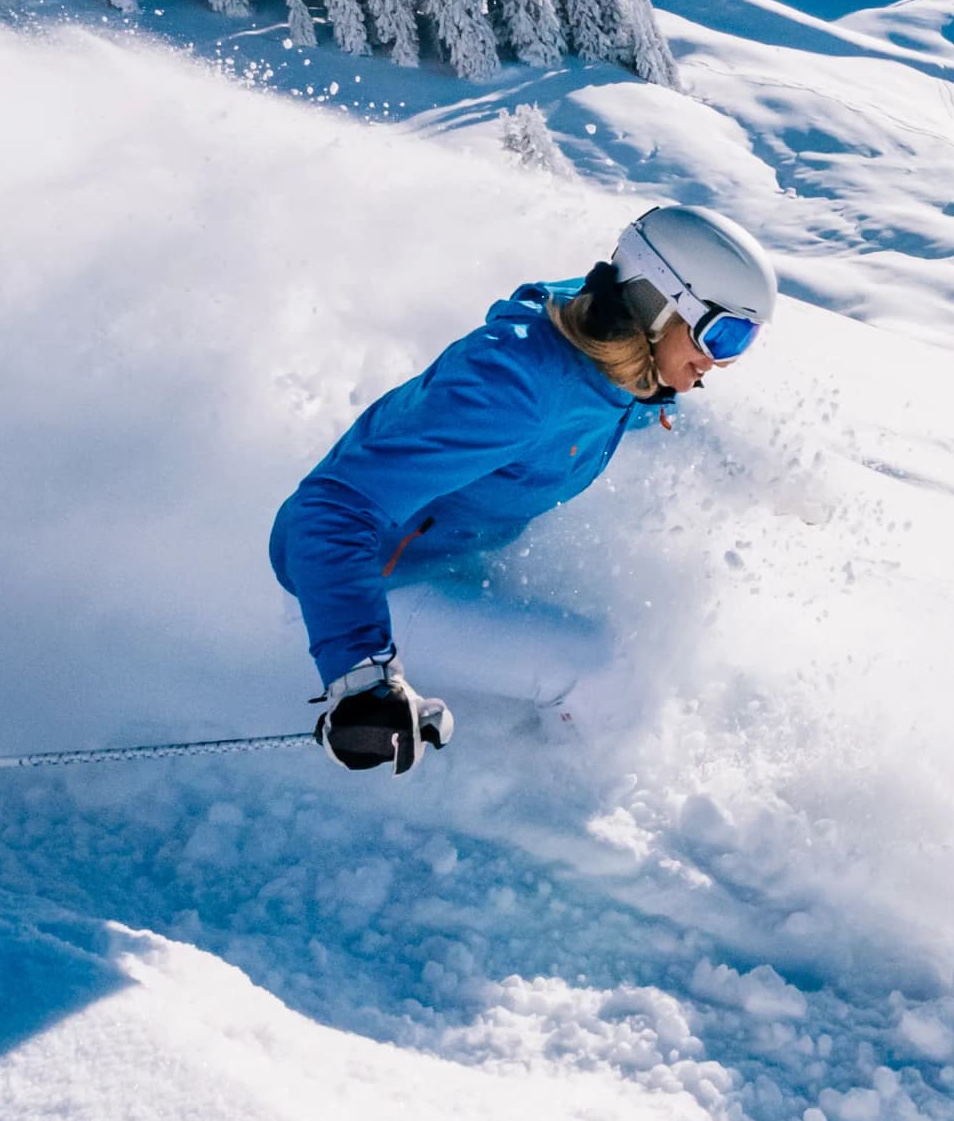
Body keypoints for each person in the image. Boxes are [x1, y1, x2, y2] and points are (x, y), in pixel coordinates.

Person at [271, 203, 778, 772]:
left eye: (745, 339)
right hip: (360, 589)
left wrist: (767, 479)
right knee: (604, 670)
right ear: (658, 303)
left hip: (447, 553)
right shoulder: (516, 383)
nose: (724, 362)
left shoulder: (625, 365)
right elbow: (330, 509)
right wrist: (361, 676)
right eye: (723, 333)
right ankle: (558, 811)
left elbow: (645, 409)